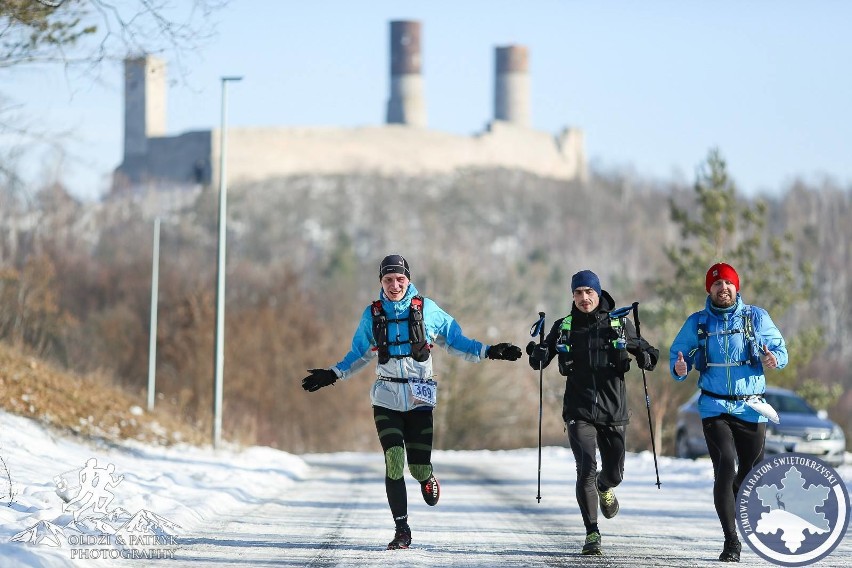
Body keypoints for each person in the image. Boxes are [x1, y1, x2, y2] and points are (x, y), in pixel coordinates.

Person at [301, 254, 522, 550]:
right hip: (386, 397)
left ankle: (426, 476)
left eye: (400, 279)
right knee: (394, 460)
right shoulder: (372, 314)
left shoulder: (427, 309)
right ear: (381, 281)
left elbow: (456, 340)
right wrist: (333, 374)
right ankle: (402, 529)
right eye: (388, 280)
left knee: (417, 468)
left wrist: (491, 351)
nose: (394, 285)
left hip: (420, 397)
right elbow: (359, 353)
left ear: (409, 279)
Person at [526, 270, 659, 556]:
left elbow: (647, 351)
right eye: (578, 293)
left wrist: (647, 358)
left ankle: (605, 486)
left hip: (613, 410)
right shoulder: (564, 326)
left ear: (598, 293)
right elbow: (543, 356)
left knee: (614, 473)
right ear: (572, 296)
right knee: (586, 467)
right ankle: (592, 532)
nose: (584, 298)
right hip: (578, 409)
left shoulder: (618, 324)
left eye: (589, 292)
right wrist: (536, 354)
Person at [670, 262, 787, 563]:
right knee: (725, 464)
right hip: (714, 406)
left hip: (751, 406)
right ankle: (731, 540)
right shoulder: (698, 323)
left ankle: (738, 490)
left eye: (728, 284)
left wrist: (775, 359)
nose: (723, 289)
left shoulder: (756, 317)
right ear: (709, 290)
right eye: (717, 284)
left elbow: (781, 350)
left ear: (737, 287)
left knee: (750, 475)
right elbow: (678, 356)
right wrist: (679, 368)